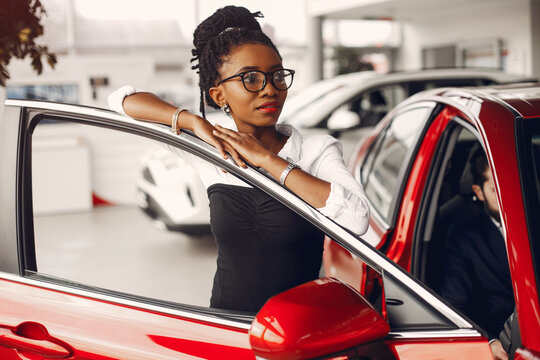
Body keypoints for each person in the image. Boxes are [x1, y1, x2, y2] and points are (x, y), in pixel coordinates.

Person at [108, 6, 369, 313]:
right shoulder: (212, 148)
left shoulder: (315, 150)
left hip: (300, 332)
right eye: (251, 79)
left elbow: (357, 219)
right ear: (219, 96)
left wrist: (269, 161)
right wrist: (192, 122)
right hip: (227, 328)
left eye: (277, 76)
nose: (270, 89)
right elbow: (121, 101)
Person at [439, 148, 514, 339]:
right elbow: (454, 305)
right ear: (478, 192)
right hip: (506, 339)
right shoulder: (464, 237)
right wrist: (490, 342)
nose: (509, 196)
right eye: (497, 190)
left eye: (511, 184)